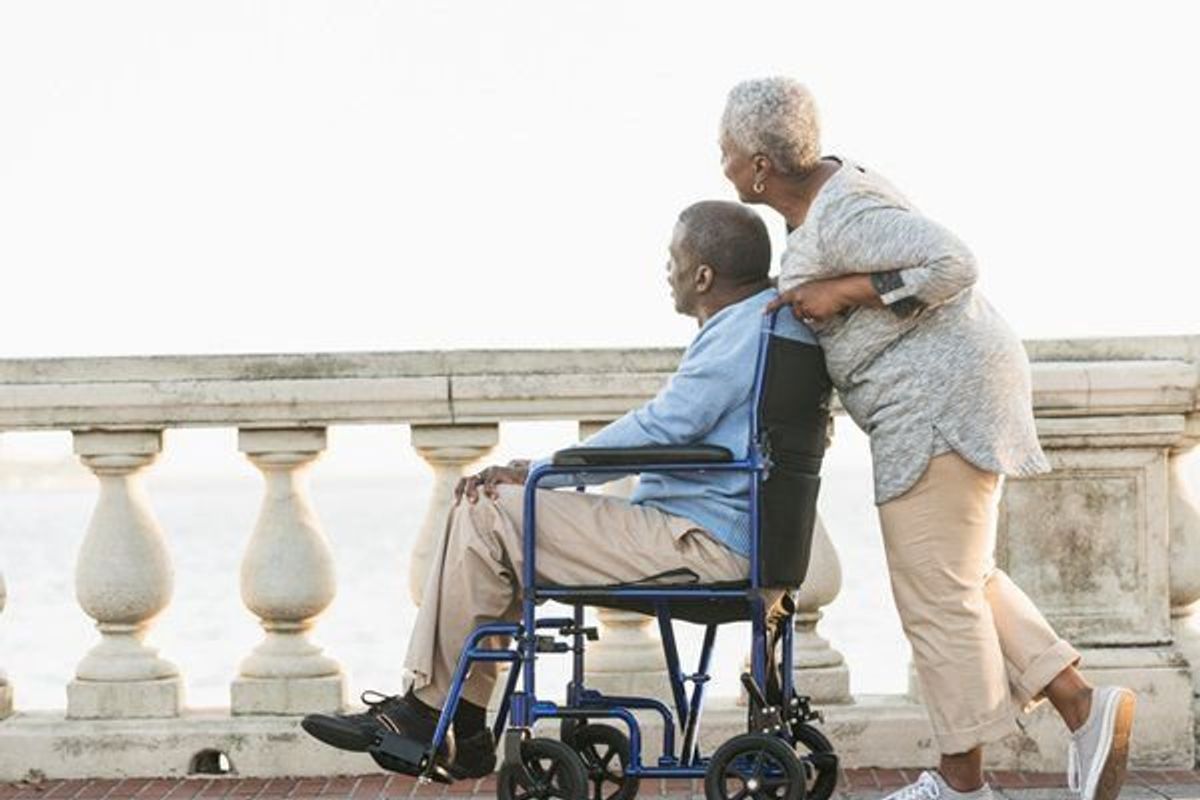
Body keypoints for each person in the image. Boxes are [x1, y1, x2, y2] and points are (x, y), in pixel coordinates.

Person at [717, 76, 1135, 800]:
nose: (717, 159)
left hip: (937, 400)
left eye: (723, 148)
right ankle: (1080, 704)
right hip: (946, 392)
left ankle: (961, 783)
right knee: (961, 577)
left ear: (757, 163)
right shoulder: (829, 204)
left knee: (935, 597)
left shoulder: (839, 211)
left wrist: (843, 293)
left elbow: (955, 263)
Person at [300, 199, 816, 779]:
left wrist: (545, 468)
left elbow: (664, 426)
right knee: (502, 519)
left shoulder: (741, 331)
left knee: (489, 507)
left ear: (702, 276)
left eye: (673, 259)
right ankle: (454, 718)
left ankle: (437, 717)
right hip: (716, 536)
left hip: (698, 546)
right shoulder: (769, 322)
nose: (664, 270)